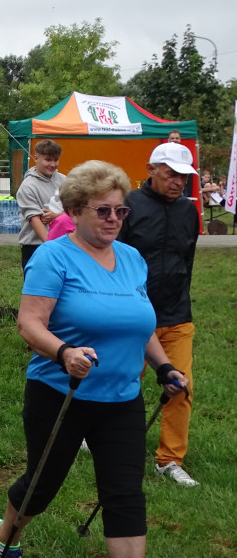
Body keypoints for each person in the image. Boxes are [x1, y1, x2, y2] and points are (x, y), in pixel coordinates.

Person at [0, 160, 187, 558]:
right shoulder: (53, 257)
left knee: (125, 495)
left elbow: (140, 323)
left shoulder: (132, 258)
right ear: (76, 211)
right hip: (60, 394)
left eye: (120, 210)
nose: (114, 219)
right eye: (103, 210)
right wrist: (64, 352)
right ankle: (5, 532)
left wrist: (164, 366)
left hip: (123, 399)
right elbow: (30, 323)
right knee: (41, 486)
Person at [117, 142, 201, 487]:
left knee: (181, 386)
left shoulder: (188, 212)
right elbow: (114, 260)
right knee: (121, 383)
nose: (178, 182)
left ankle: (168, 459)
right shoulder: (128, 207)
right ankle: (99, 433)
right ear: (152, 169)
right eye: (171, 174)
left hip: (177, 313)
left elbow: (188, 260)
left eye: (184, 177)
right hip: (134, 314)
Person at [16, 139, 66, 270]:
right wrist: (51, 247)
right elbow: (35, 220)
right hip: (37, 248)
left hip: (65, 245)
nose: (53, 164)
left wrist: (57, 216)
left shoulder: (65, 180)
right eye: (48, 160)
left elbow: (76, 210)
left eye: (56, 160)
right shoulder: (28, 187)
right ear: (36, 158)